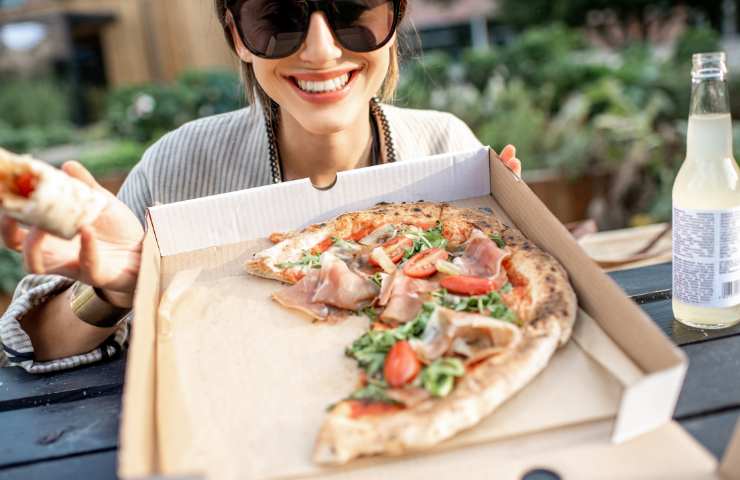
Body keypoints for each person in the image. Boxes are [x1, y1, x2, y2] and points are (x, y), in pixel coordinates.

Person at [0, 0, 519, 372]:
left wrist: (513, 240)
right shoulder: (177, 167)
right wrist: (114, 291)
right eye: (278, 19)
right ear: (236, 37)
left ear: (395, 17)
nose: (321, 51)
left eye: (352, 13)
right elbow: (29, 344)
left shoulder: (448, 147)